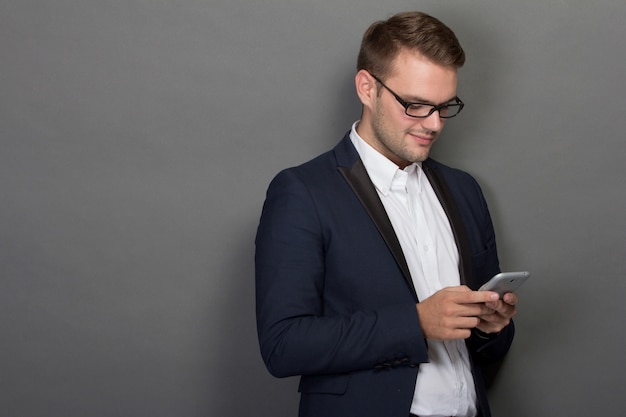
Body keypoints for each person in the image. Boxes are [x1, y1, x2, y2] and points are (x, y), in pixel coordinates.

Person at [255, 11, 518, 417]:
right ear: (367, 88)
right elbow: (283, 344)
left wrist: (492, 325)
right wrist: (415, 323)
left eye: (445, 106)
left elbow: (484, 348)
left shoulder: (465, 190)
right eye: (416, 105)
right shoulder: (303, 192)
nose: (433, 124)